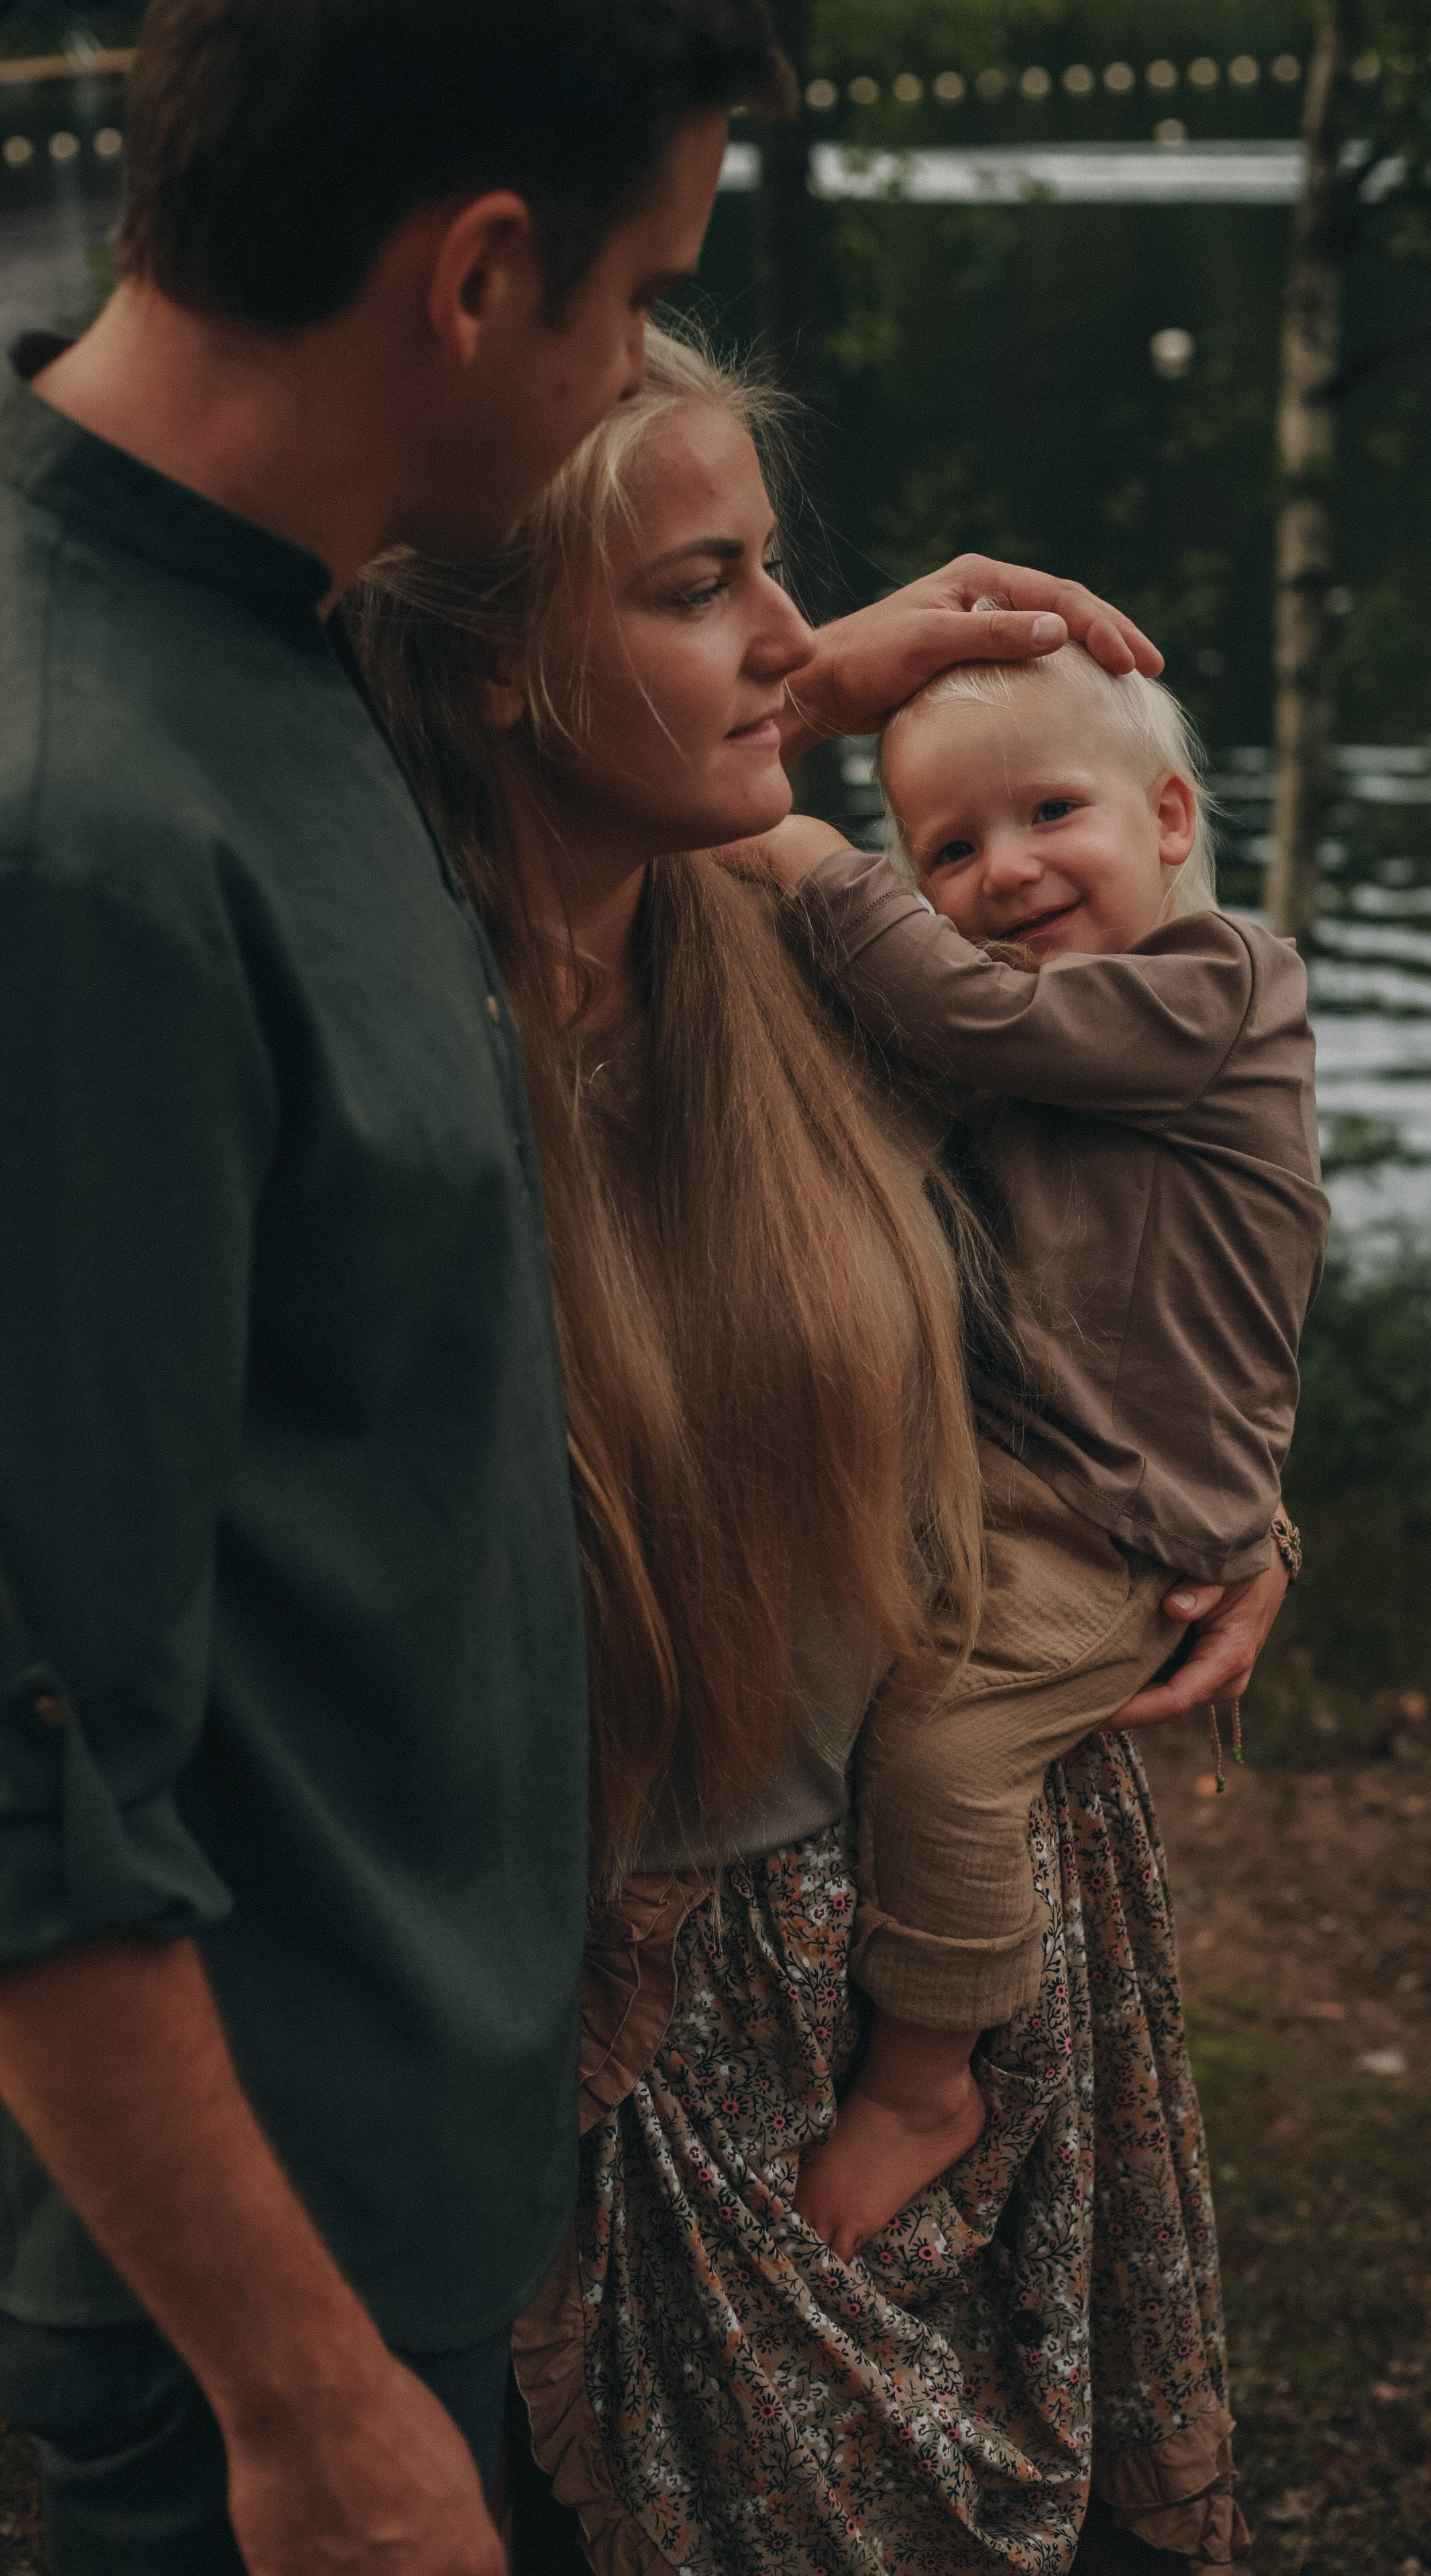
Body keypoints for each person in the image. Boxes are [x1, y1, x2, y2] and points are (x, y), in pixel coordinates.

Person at [0, 8, 1149, 2573]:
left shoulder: (265, 644)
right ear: (483, 271)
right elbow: (31, 1769)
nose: (641, 355)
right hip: (273, 2333)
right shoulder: (76, 840)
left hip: (449, 2205)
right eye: (638, 296)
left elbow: (507, 756)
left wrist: (788, 684)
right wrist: (309, 2406)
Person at [350, 322, 1280, 2575]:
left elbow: (1090, 1243)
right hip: (655, 1998)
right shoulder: (397, 1030)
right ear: (487, 669)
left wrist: (1220, 1470)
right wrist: (821, 715)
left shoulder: (788, 953)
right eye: (707, 591)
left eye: (784, 579)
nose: (803, 644)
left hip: (956, 1885)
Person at [747, 653, 1327, 2259]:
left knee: (945, 1753)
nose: (998, 873)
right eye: (943, 849)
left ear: (1166, 820)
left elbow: (952, 1003)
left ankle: (927, 2081)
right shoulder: (1035, 1040)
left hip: (1119, 1519)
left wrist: (807, 853)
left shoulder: (1219, 988)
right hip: (1003, 1474)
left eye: (1049, 813)